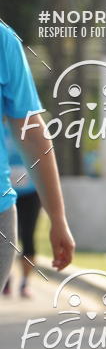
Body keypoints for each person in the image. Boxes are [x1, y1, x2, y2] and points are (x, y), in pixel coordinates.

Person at [0, 22, 74, 289]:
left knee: (28, 238)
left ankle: (22, 284)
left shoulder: (3, 39)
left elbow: (31, 133)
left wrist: (57, 217)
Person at [2, 121, 42, 297]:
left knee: (28, 238)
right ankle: (7, 280)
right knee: (7, 240)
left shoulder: (30, 128)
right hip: (5, 195)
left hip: (30, 193)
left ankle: (25, 283)